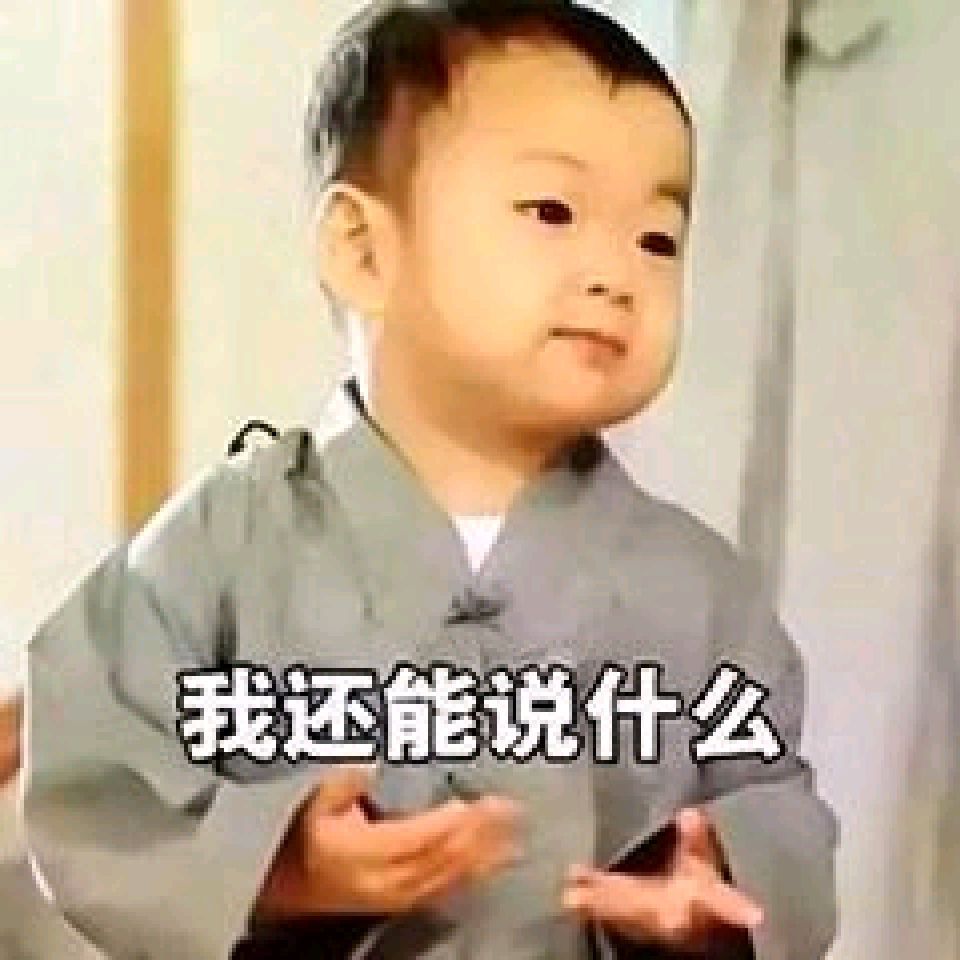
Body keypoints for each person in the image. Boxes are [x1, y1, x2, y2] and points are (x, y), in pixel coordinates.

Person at [24, 2, 838, 958]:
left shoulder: (699, 587)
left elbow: (772, 796)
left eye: (657, 239)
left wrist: (716, 887)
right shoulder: (221, 546)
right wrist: (280, 866)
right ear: (364, 249)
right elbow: (94, 774)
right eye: (553, 212)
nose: (617, 275)